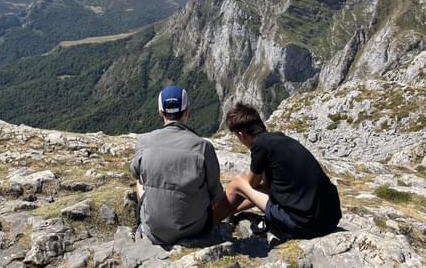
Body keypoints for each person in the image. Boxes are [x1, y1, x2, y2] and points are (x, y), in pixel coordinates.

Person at [214, 102, 341, 238]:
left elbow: (251, 185)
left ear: (241, 134)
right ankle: (226, 213)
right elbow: (266, 188)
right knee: (258, 185)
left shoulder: (260, 145)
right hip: (330, 220)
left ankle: (208, 222)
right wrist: (234, 209)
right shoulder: (281, 139)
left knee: (238, 182)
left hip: (304, 225)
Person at [130, 85, 224, 245]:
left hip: (154, 229)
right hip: (195, 229)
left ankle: (145, 224)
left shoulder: (144, 141)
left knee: (140, 180)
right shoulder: (203, 147)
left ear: (160, 112)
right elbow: (215, 193)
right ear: (187, 111)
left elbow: (134, 172)